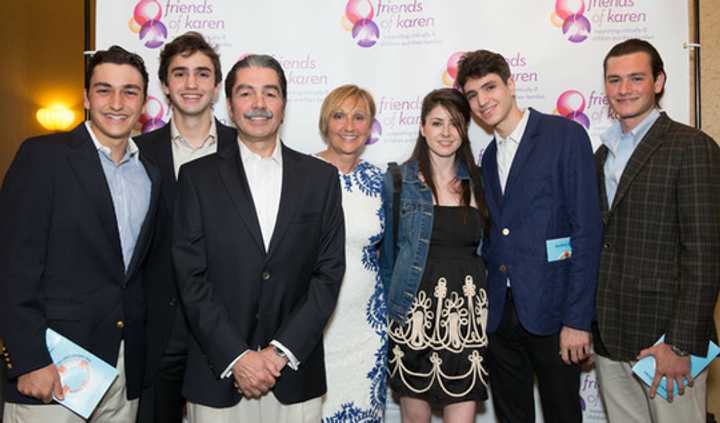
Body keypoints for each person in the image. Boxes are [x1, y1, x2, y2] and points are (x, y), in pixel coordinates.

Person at [172, 54, 345, 423]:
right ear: (231, 106)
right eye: (246, 93)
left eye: (270, 93)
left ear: (283, 104)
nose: (259, 104)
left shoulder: (321, 179)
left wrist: (279, 353)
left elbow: (328, 275)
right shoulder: (196, 178)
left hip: (295, 374)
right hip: (218, 373)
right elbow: (190, 278)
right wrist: (239, 357)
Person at [0, 46, 160, 423]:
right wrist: (29, 359)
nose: (117, 103)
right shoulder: (44, 157)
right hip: (53, 371)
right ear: (87, 97)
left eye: (130, 91)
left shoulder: (151, 173)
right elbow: (12, 265)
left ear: (144, 103)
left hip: (123, 370)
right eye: (104, 90)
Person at [456, 50, 602, 423]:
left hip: (554, 315)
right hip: (501, 318)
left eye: (489, 87)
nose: (482, 101)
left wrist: (578, 320)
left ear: (511, 84)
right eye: (472, 95)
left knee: (562, 415)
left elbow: (586, 231)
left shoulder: (564, 136)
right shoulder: (487, 157)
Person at [593, 38, 720, 423]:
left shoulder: (691, 147)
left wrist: (680, 343)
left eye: (636, 78)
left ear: (659, 81)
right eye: (614, 80)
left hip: (666, 343)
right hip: (610, 338)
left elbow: (705, 253)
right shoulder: (602, 154)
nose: (624, 89)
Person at [135, 31, 236, 423]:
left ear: (216, 86)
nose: (191, 84)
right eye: (180, 74)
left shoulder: (244, 149)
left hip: (226, 327)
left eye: (202, 74)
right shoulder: (137, 153)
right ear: (164, 85)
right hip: (156, 329)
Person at [380, 88, 489, 423]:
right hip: (412, 316)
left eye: (454, 124)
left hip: (467, 321)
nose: (445, 132)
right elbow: (387, 257)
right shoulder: (398, 181)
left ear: (465, 130)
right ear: (422, 127)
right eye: (437, 123)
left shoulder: (481, 182)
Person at [315, 85, 387, 422]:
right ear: (325, 122)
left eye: (359, 117)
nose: (349, 126)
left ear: (370, 126)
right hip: (313, 326)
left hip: (367, 327)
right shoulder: (301, 175)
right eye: (339, 116)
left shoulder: (381, 182)